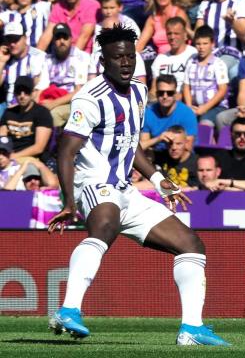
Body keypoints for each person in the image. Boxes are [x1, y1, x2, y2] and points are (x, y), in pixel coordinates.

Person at [46, 24, 229, 346]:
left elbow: (131, 145)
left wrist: (160, 181)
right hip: (94, 183)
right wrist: (69, 202)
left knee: (191, 244)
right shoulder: (89, 99)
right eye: (118, 58)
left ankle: (192, 329)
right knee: (105, 225)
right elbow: (65, 150)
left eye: (130, 56)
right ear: (104, 61)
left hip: (125, 191)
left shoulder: (140, 92)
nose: (126, 63)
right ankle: (68, 308)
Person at [43, 23, 91, 127]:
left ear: (70, 39)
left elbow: (79, 91)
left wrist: (53, 104)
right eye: (58, 38)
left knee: (53, 114)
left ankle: (54, 143)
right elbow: (42, 87)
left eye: (65, 37)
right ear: (53, 40)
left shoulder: (81, 57)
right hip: (51, 98)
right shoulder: (47, 60)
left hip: (73, 102)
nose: (62, 41)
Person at [195, 0, 245, 80]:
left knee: (219, 68)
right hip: (209, 54)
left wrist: (232, 22)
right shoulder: (205, 4)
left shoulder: (240, 2)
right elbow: (198, 35)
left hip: (233, 54)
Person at [182, 25, 229, 127]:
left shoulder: (218, 63)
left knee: (205, 124)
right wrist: (189, 106)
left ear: (212, 44)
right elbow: (186, 86)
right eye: (198, 44)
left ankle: (207, 143)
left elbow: (222, 90)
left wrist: (205, 108)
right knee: (182, 121)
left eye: (205, 43)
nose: (201, 47)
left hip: (216, 107)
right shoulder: (191, 62)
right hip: (195, 106)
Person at [0, 22, 50, 113]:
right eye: (9, 40)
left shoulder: (39, 57)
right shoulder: (6, 57)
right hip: (6, 107)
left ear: (25, 38)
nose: (12, 44)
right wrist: (2, 62)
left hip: (28, 108)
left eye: (16, 39)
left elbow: (40, 91)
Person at [0, 76, 53, 160]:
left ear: (33, 93)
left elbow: (39, 147)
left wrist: (13, 157)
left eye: (26, 92)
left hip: (30, 158)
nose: (22, 96)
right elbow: (2, 137)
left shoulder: (42, 113)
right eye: (18, 92)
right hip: (7, 157)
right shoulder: (8, 112)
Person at [140, 74, 198, 152]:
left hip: (179, 157)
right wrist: (159, 138)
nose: (165, 96)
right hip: (156, 155)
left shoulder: (187, 114)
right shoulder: (148, 113)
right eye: (161, 93)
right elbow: (142, 146)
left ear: (175, 94)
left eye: (169, 93)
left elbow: (188, 147)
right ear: (156, 94)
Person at [150, 17, 197, 101]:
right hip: (163, 100)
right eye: (169, 33)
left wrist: (181, 96)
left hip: (185, 100)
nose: (172, 37)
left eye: (176, 33)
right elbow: (154, 89)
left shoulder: (193, 55)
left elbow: (197, 85)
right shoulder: (160, 59)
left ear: (185, 35)